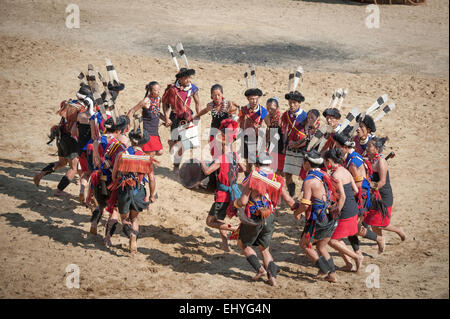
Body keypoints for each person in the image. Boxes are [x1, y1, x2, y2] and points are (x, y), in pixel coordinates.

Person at [233, 152, 298, 286]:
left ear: (256, 165)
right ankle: (272, 278)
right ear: (270, 164)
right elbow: (290, 201)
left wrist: (235, 204)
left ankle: (259, 269)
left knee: (243, 244)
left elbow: (244, 201)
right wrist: (301, 209)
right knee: (265, 249)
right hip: (269, 216)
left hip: (254, 217)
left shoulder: (254, 177)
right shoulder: (277, 179)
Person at [332, 133, 385, 254]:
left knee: (354, 227)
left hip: (361, 197)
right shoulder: (352, 157)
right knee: (352, 227)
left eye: (338, 147)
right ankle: (358, 252)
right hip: (359, 195)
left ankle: (378, 239)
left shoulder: (352, 163)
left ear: (345, 148)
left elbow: (359, 186)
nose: (336, 149)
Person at [294, 150, 341, 283]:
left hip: (318, 219)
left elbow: (305, 204)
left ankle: (323, 268)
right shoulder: (323, 174)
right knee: (321, 247)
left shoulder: (309, 181)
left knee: (304, 244)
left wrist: (296, 212)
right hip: (330, 216)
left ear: (307, 163)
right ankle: (331, 275)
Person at [108, 128, 156, 253]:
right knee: (134, 218)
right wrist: (152, 195)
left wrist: (116, 181)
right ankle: (133, 240)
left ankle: (129, 234)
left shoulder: (121, 154)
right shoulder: (147, 158)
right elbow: (151, 179)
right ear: (143, 142)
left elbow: (114, 175)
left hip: (124, 189)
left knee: (124, 219)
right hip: (138, 190)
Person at [200, 119, 244, 252]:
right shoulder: (235, 156)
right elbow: (242, 169)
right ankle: (225, 244)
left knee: (211, 221)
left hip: (223, 196)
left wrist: (201, 161)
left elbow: (207, 171)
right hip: (235, 192)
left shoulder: (221, 158)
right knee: (220, 219)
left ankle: (236, 229)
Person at [324, 149, 364, 272]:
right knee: (338, 239)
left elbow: (342, 196)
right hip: (353, 208)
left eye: (325, 162)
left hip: (345, 210)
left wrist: (337, 211)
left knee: (332, 240)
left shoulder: (335, 175)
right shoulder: (345, 171)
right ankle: (349, 264)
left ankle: (356, 257)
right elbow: (356, 191)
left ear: (329, 161)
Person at [34, 100, 83, 197]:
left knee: (62, 163)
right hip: (69, 141)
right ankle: (59, 190)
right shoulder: (75, 113)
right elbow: (74, 132)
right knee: (74, 168)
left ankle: (40, 174)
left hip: (61, 139)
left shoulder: (64, 116)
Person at [89, 116, 127, 239]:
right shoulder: (119, 146)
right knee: (114, 210)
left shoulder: (96, 141)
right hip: (111, 181)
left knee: (100, 205)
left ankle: (94, 223)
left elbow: (95, 161)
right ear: (118, 131)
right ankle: (107, 238)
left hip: (98, 177)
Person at [127, 81, 165, 203]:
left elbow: (158, 113)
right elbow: (132, 110)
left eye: (159, 89)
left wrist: (166, 119)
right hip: (147, 135)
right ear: (150, 90)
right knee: (149, 170)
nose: (158, 92)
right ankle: (151, 196)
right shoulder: (145, 101)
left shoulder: (157, 99)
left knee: (160, 152)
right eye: (156, 90)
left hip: (155, 134)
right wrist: (127, 123)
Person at [364, 137, 406, 242]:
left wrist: (371, 190)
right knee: (373, 223)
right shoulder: (370, 160)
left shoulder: (381, 162)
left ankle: (399, 231)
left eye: (370, 146)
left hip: (383, 195)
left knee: (382, 224)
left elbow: (382, 182)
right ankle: (380, 239)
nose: (367, 148)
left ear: (377, 149)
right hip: (374, 195)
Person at [162, 67, 200, 171]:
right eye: (186, 78)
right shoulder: (172, 89)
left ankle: (176, 165)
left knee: (184, 144)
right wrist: (166, 117)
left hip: (187, 119)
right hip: (174, 118)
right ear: (180, 79)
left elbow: (197, 103)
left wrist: (198, 116)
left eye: (189, 78)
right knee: (176, 143)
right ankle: (172, 147)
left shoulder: (193, 88)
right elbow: (165, 103)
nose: (189, 80)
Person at [195, 84, 238, 159]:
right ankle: (217, 169)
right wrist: (197, 115)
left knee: (225, 150)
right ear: (211, 96)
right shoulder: (210, 105)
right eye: (214, 95)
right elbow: (205, 110)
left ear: (222, 94)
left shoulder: (228, 104)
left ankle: (226, 167)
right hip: (214, 129)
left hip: (225, 130)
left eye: (218, 94)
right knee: (214, 151)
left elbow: (236, 110)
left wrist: (231, 111)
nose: (217, 97)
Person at [280, 91, 307, 197]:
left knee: (303, 174)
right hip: (290, 148)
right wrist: (285, 145)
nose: (291, 105)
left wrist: (297, 144)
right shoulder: (286, 114)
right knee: (287, 173)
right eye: (290, 102)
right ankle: (291, 193)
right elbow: (285, 130)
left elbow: (308, 135)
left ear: (299, 103)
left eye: (294, 103)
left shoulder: (305, 116)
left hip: (302, 149)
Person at [238, 87, 268, 176]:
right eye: (252, 99)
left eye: (256, 99)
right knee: (248, 162)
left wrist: (260, 129)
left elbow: (269, 125)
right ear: (248, 99)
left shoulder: (262, 110)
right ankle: (248, 181)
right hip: (246, 138)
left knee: (257, 163)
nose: (254, 101)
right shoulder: (243, 110)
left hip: (258, 139)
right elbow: (238, 122)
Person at [264, 97, 284, 174]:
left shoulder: (282, 117)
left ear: (277, 107)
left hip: (281, 144)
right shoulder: (267, 118)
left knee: (281, 171)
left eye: (272, 108)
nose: (270, 111)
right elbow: (268, 132)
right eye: (268, 108)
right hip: (272, 144)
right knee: (272, 168)